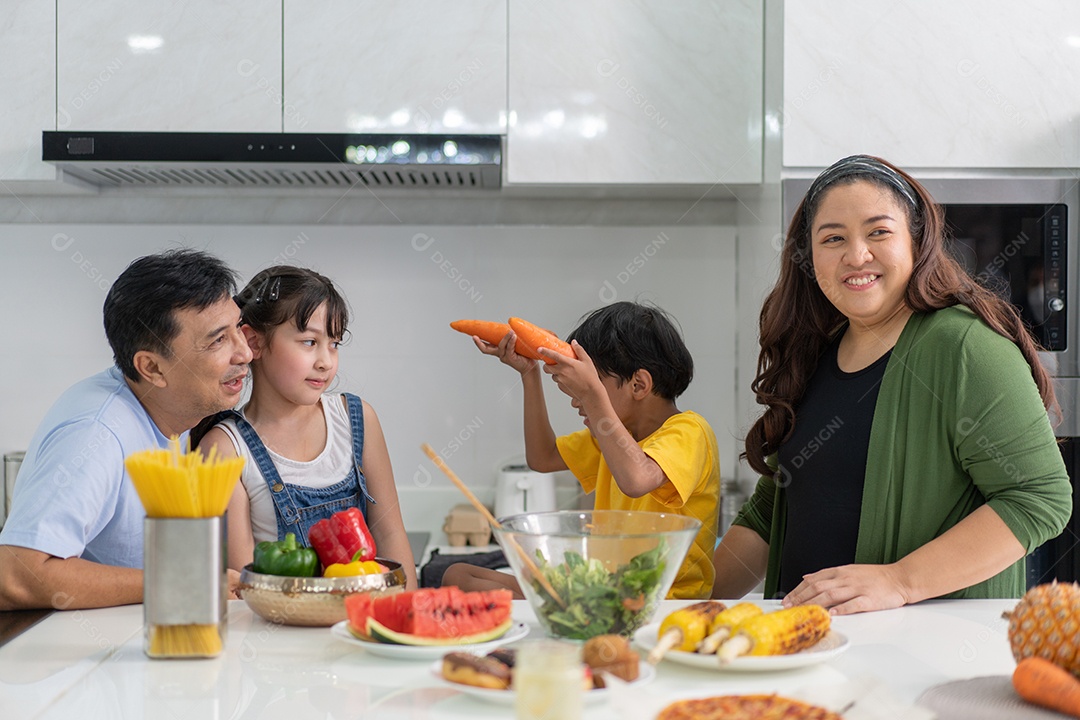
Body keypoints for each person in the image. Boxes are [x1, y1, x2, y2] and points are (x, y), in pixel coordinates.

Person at [712, 154, 1072, 615]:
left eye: (878, 232)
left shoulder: (965, 346)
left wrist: (900, 581)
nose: (856, 255)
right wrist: (672, 599)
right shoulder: (816, 350)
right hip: (806, 644)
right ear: (809, 256)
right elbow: (775, 508)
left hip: (920, 654)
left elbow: (1038, 498)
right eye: (833, 238)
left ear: (917, 241)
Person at [0, 249, 252, 610]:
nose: (244, 353)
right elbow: (16, 575)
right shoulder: (96, 432)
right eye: (217, 341)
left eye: (238, 330)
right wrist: (185, 581)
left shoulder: (168, 411)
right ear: (151, 367)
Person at [443, 301, 720, 598]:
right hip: (603, 592)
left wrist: (593, 398)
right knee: (457, 575)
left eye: (594, 383)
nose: (577, 399)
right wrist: (529, 374)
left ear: (639, 385)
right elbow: (542, 457)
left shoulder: (691, 431)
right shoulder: (615, 437)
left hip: (664, 602)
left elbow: (637, 479)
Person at [198, 267, 417, 589]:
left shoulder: (357, 419)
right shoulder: (224, 449)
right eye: (310, 342)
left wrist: (409, 617)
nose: (326, 361)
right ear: (253, 342)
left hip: (362, 625)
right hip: (280, 633)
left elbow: (389, 532)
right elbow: (244, 582)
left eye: (334, 343)